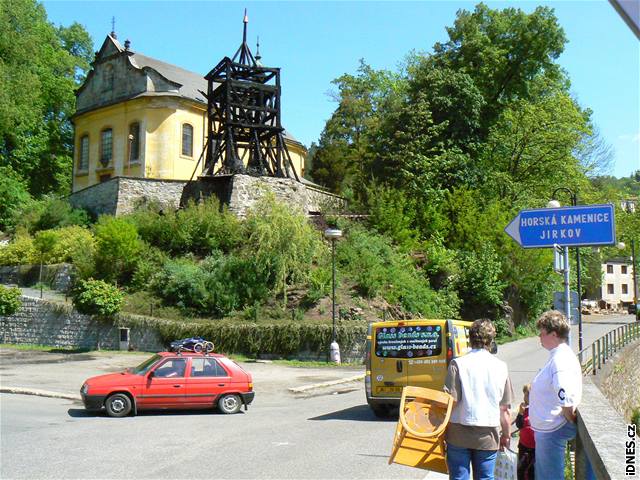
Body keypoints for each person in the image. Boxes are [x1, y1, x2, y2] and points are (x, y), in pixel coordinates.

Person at [444, 319, 514, 480]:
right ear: (491, 340)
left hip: (458, 433)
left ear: (470, 338)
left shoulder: (458, 364)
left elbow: (451, 401)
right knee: (485, 477)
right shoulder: (501, 367)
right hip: (488, 434)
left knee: (459, 477)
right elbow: (504, 409)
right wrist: (506, 435)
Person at [529, 310, 582, 479]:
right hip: (549, 428)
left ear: (553, 334)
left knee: (548, 476)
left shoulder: (560, 360)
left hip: (552, 429)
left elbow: (565, 395)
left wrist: (568, 418)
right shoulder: (559, 355)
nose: (539, 337)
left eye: (542, 333)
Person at [515, 384, 535, 480]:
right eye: (526, 395)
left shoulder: (538, 408)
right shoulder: (524, 409)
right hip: (524, 445)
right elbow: (519, 425)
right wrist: (520, 413)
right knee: (521, 469)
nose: (528, 397)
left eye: (531, 394)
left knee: (533, 470)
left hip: (536, 447)